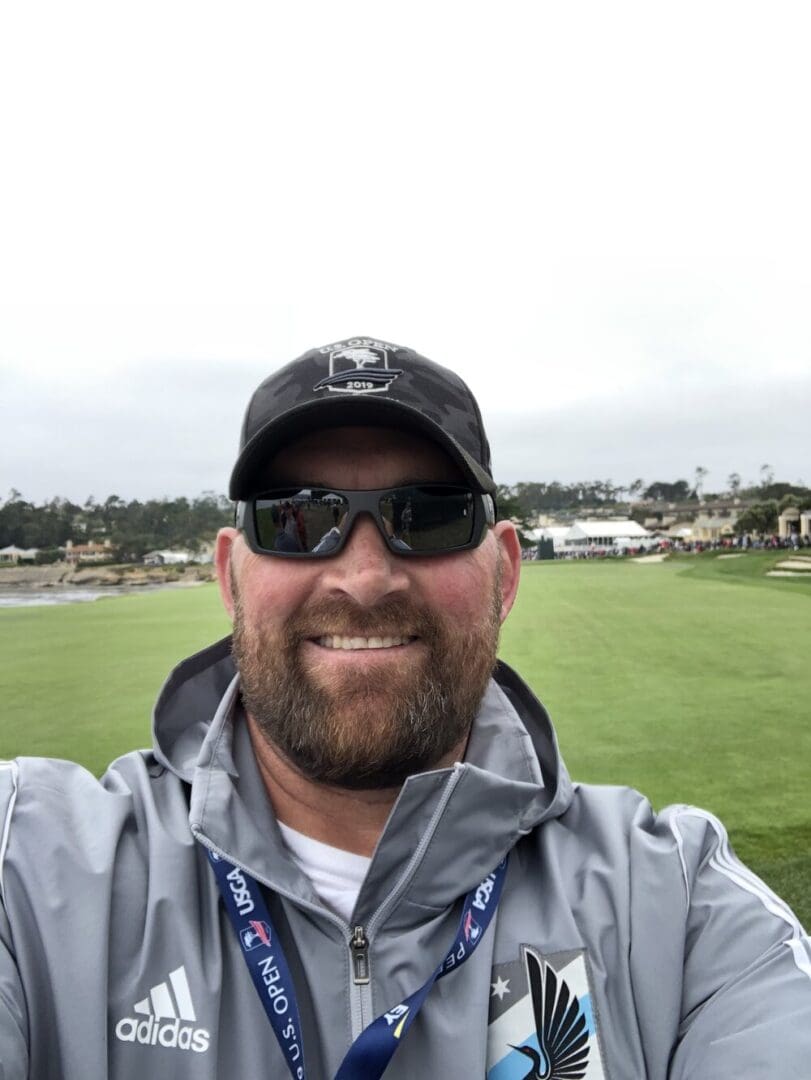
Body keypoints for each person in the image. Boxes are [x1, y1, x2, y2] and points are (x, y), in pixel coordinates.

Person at [1, 336, 809, 1079]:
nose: (363, 578)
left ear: (505, 573)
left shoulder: (676, 904)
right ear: (230, 575)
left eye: (426, 517)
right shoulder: (32, 867)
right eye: (299, 518)